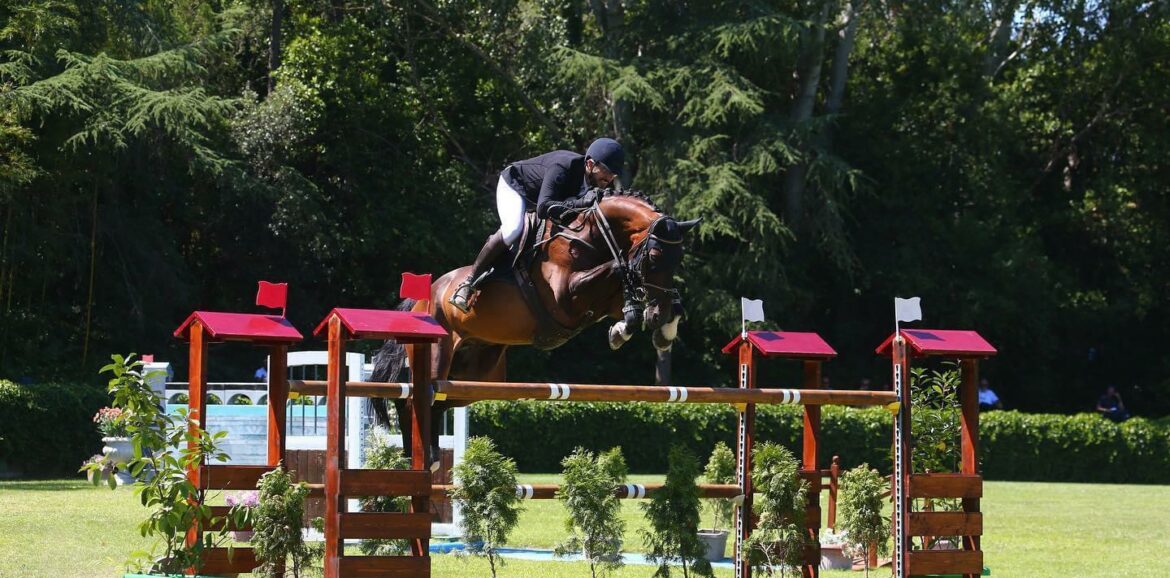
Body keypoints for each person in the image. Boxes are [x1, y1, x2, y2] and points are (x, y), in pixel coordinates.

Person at [449, 138, 625, 312]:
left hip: (540, 200)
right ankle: (469, 282)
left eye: (613, 175)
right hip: (516, 188)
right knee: (513, 229)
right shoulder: (563, 167)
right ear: (590, 164)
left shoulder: (592, 182)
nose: (609, 179)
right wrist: (580, 204)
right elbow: (543, 208)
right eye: (607, 172)